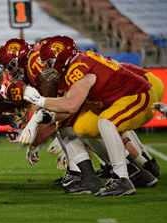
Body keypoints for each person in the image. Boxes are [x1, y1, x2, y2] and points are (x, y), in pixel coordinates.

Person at [21, 35, 159, 196]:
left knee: (105, 123)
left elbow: (71, 105)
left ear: (61, 59)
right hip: (115, 101)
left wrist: (40, 101)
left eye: (49, 62)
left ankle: (122, 178)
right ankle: (134, 172)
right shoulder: (71, 66)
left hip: (138, 95)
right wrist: (43, 119)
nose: (46, 68)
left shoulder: (78, 66)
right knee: (79, 128)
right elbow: (67, 111)